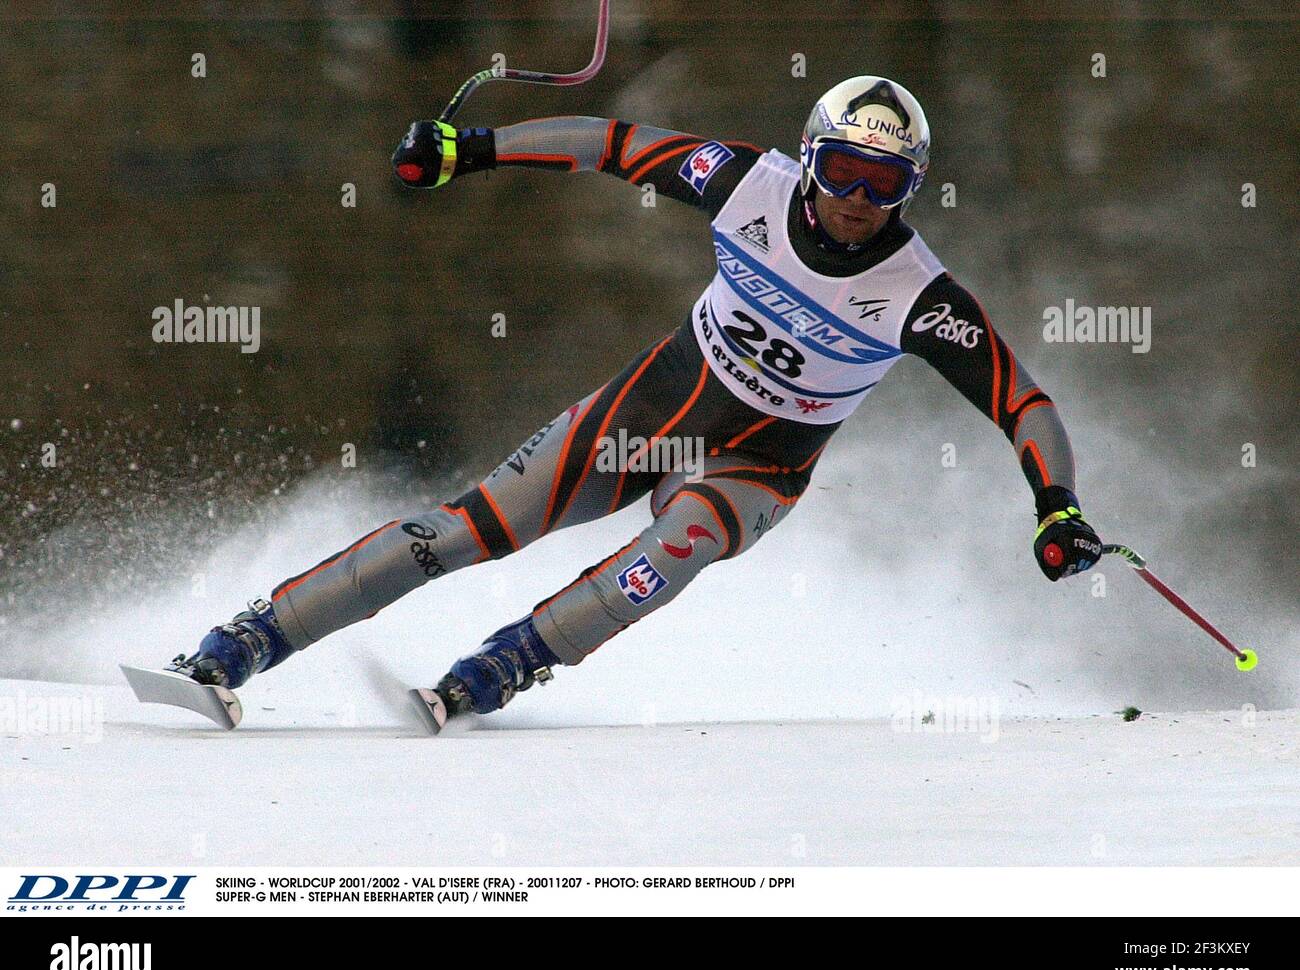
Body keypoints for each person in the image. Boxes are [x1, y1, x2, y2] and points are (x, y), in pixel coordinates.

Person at [166, 76, 1103, 721]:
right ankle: (247, 641)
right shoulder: (745, 182)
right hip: (650, 413)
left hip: (758, 466)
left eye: (886, 183)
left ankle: (500, 668)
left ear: (913, 188)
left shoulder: (919, 293)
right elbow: (612, 146)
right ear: (809, 159)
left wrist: (1056, 505)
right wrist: (470, 149)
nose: (859, 199)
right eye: (843, 173)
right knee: (465, 531)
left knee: (677, 545)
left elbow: (1024, 402)